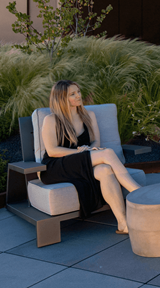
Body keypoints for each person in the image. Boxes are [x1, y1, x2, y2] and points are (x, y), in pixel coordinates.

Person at [40, 80, 142, 234]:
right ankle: (139, 193)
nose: (78, 96)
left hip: (81, 160)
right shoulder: (51, 120)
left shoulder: (88, 115)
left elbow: (96, 141)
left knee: (105, 170)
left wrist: (92, 148)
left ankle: (123, 224)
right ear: (61, 98)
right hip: (56, 166)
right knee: (107, 153)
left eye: (78, 92)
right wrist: (80, 152)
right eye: (72, 94)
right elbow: (52, 150)